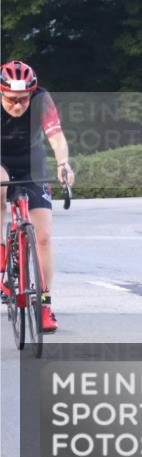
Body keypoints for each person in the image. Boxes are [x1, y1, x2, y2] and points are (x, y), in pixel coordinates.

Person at [0, 60, 75, 332]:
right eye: (11, 100)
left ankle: (44, 305)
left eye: (23, 99)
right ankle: (1, 249)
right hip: (1, 159)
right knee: (1, 183)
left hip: (32, 161)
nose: (18, 106)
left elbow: (55, 137)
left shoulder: (41, 99)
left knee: (43, 236)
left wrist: (63, 164)